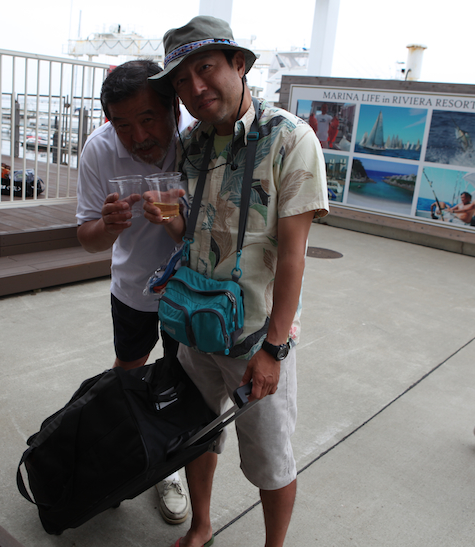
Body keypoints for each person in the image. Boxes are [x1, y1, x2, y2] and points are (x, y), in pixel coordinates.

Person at [147, 16, 328, 547]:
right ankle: (202, 525)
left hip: (254, 338)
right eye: (181, 80)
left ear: (239, 64)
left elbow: (293, 256)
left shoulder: (291, 139)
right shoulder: (192, 143)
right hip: (194, 326)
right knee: (196, 434)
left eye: (205, 69)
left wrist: (274, 348)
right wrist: (166, 217)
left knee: (270, 458)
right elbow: (193, 233)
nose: (195, 87)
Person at [76, 60, 194, 526]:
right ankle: (117, 452)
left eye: (148, 119)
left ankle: (169, 466)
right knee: (128, 372)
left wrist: (176, 220)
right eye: (123, 125)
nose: (138, 136)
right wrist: (107, 227)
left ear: (173, 109)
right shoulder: (99, 150)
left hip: (193, 291)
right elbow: (86, 237)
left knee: (183, 384)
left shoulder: (198, 141)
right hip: (133, 288)